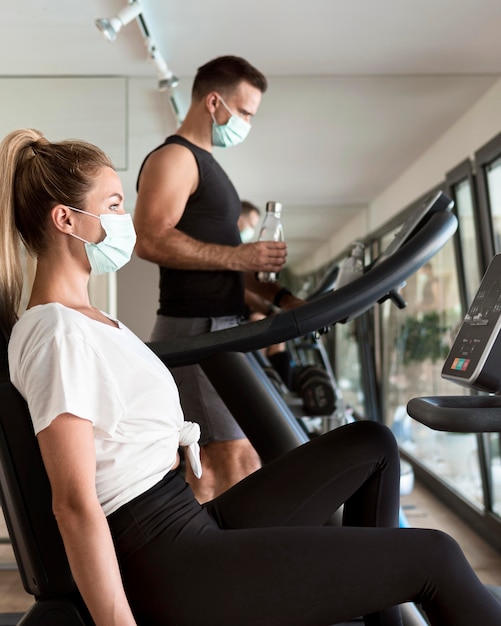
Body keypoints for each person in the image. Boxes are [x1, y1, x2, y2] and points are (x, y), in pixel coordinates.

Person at [3, 129, 501, 626]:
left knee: (372, 444)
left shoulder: (93, 321)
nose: (124, 220)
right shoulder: (55, 331)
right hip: (168, 561)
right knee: (435, 556)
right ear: (66, 219)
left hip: (185, 522)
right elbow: (73, 503)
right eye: (113, 205)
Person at [134, 55, 304, 503]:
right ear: (214, 102)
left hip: (218, 329)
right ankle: (216, 567)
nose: (247, 123)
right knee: (227, 463)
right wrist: (238, 254)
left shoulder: (211, 167)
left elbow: (222, 268)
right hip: (197, 331)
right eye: (244, 112)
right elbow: (149, 239)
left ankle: (218, 562)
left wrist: (283, 298)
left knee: (232, 459)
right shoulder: (176, 157)